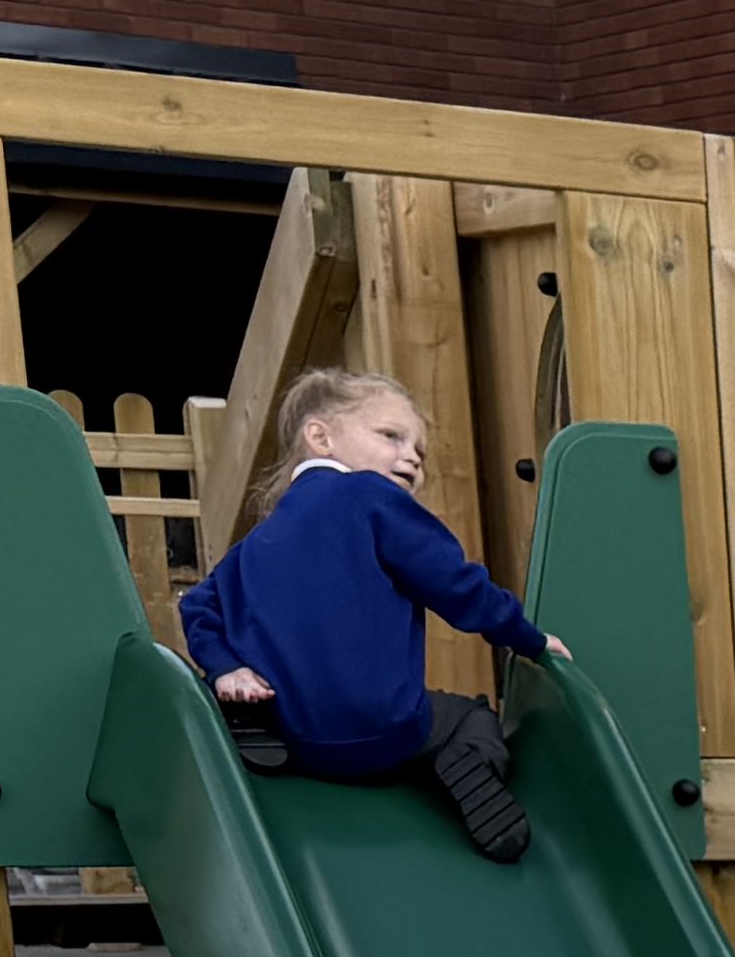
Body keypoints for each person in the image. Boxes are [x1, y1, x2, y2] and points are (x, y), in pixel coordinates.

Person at [180, 369, 565, 862]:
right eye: (391, 436)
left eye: (419, 453)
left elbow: (197, 604)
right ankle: (465, 760)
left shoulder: (257, 541)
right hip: (385, 729)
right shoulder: (370, 498)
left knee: (260, 667)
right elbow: (455, 584)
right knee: (468, 717)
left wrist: (224, 667)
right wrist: (528, 637)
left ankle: (245, 708)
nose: (411, 457)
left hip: (289, 738)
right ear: (320, 436)